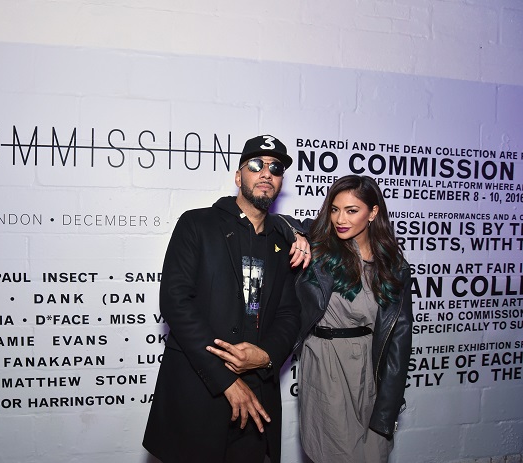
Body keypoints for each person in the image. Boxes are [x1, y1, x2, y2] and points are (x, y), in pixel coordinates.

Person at [143, 135, 311, 463]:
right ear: (238, 177)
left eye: (275, 168)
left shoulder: (283, 240)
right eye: (255, 165)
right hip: (198, 393)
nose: (266, 173)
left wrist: (265, 356)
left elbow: (291, 312)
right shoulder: (197, 223)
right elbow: (176, 302)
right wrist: (226, 379)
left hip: (256, 402)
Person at [281, 174, 412, 463]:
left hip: (370, 363)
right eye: (335, 209)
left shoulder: (393, 265)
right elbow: (280, 223)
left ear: (373, 212)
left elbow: (399, 341)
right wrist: (298, 236)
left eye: (352, 210)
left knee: (372, 451)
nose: (341, 218)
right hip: (325, 361)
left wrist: (387, 411)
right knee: (334, 452)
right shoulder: (322, 248)